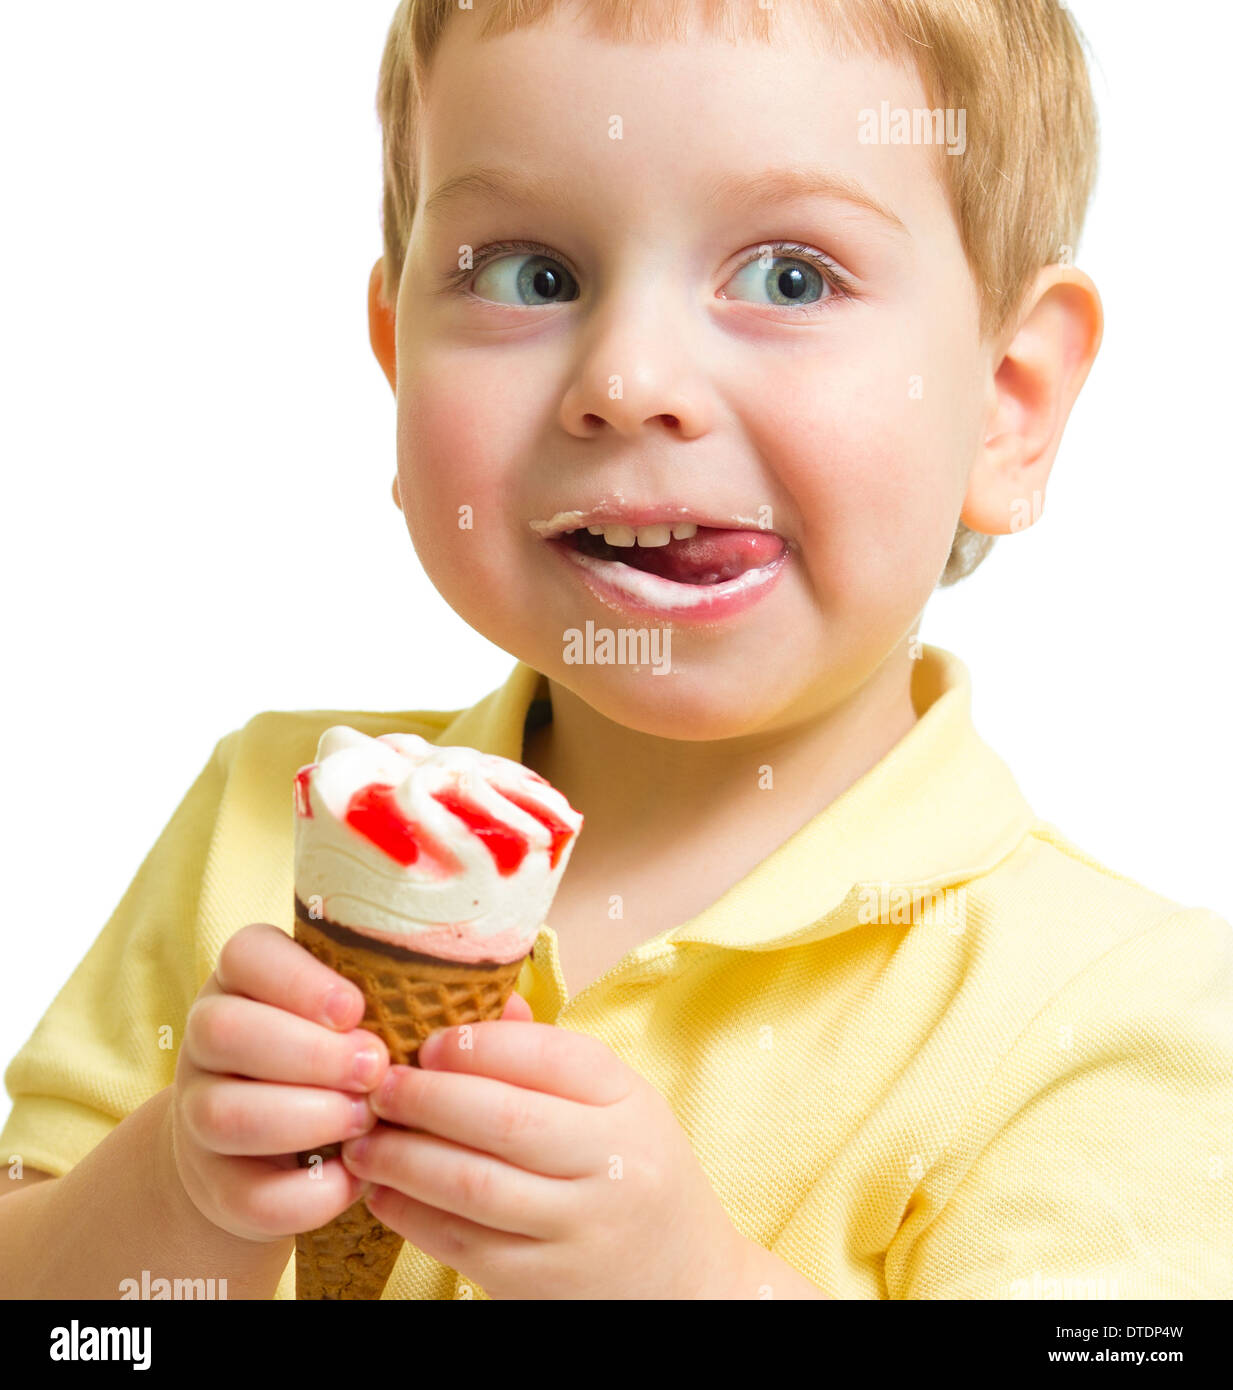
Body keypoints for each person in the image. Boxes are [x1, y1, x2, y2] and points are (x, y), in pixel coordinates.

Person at [3, 0, 1229, 1300]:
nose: (628, 375)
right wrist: (174, 1198)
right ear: (396, 356)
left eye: (788, 277)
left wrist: (694, 1285)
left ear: (1005, 403)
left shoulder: (1118, 1014)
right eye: (532, 273)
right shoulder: (267, 816)